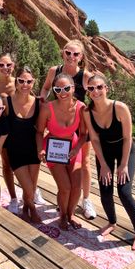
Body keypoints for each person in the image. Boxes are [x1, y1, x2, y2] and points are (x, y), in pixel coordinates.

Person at [83, 74, 135, 251]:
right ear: (88, 92)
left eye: (99, 87)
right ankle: (112, 222)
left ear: (106, 88)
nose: (96, 91)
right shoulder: (87, 112)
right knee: (105, 191)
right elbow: (94, 139)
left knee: (124, 192)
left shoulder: (120, 108)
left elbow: (127, 138)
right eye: (91, 88)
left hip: (125, 150)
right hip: (105, 151)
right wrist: (103, 164)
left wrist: (123, 165)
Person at [40, 39, 96, 220]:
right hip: (59, 123)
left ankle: (86, 200)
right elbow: (46, 87)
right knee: (62, 163)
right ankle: (63, 199)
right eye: (68, 53)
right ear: (63, 53)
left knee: (85, 162)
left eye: (76, 54)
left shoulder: (85, 76)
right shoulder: (54, 71)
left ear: (81, 57)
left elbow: (94, 96)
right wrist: (42, 100)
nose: (71, 57)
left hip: (78, 123)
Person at [0, 53, 45, 213]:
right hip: (5, 133)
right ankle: (13, 198)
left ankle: (31, 193)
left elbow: (29, 101)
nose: (5, 68)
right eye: (1, 65)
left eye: (8, 65)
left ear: (14, 66)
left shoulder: (19, 82)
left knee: (28, 171)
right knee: (6, 165)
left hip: (22, 135)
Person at [37, 73, 87, 230]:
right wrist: (41, 150)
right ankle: (63, 216)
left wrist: (77, 148)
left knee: (76, 186)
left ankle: (71, 214)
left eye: (66, 88)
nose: (62, 92)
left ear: (73, 88)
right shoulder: (47, 108)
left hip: (73, 147)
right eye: (58, 89)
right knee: (65, 187)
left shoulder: (81, 108)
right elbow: (39, 132)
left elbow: (84, 134)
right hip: (53, 148)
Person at [4, 66, 41, 223]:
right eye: (21, 81)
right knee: (27, 185)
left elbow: (40, 130)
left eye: (29, 81)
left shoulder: (39, 103)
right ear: (16, 81)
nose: (25, 84)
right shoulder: (6, 102)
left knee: (32, 186)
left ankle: (26, 207)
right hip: (15, 151)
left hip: (33, 151)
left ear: (33, 82)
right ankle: (33, 209)